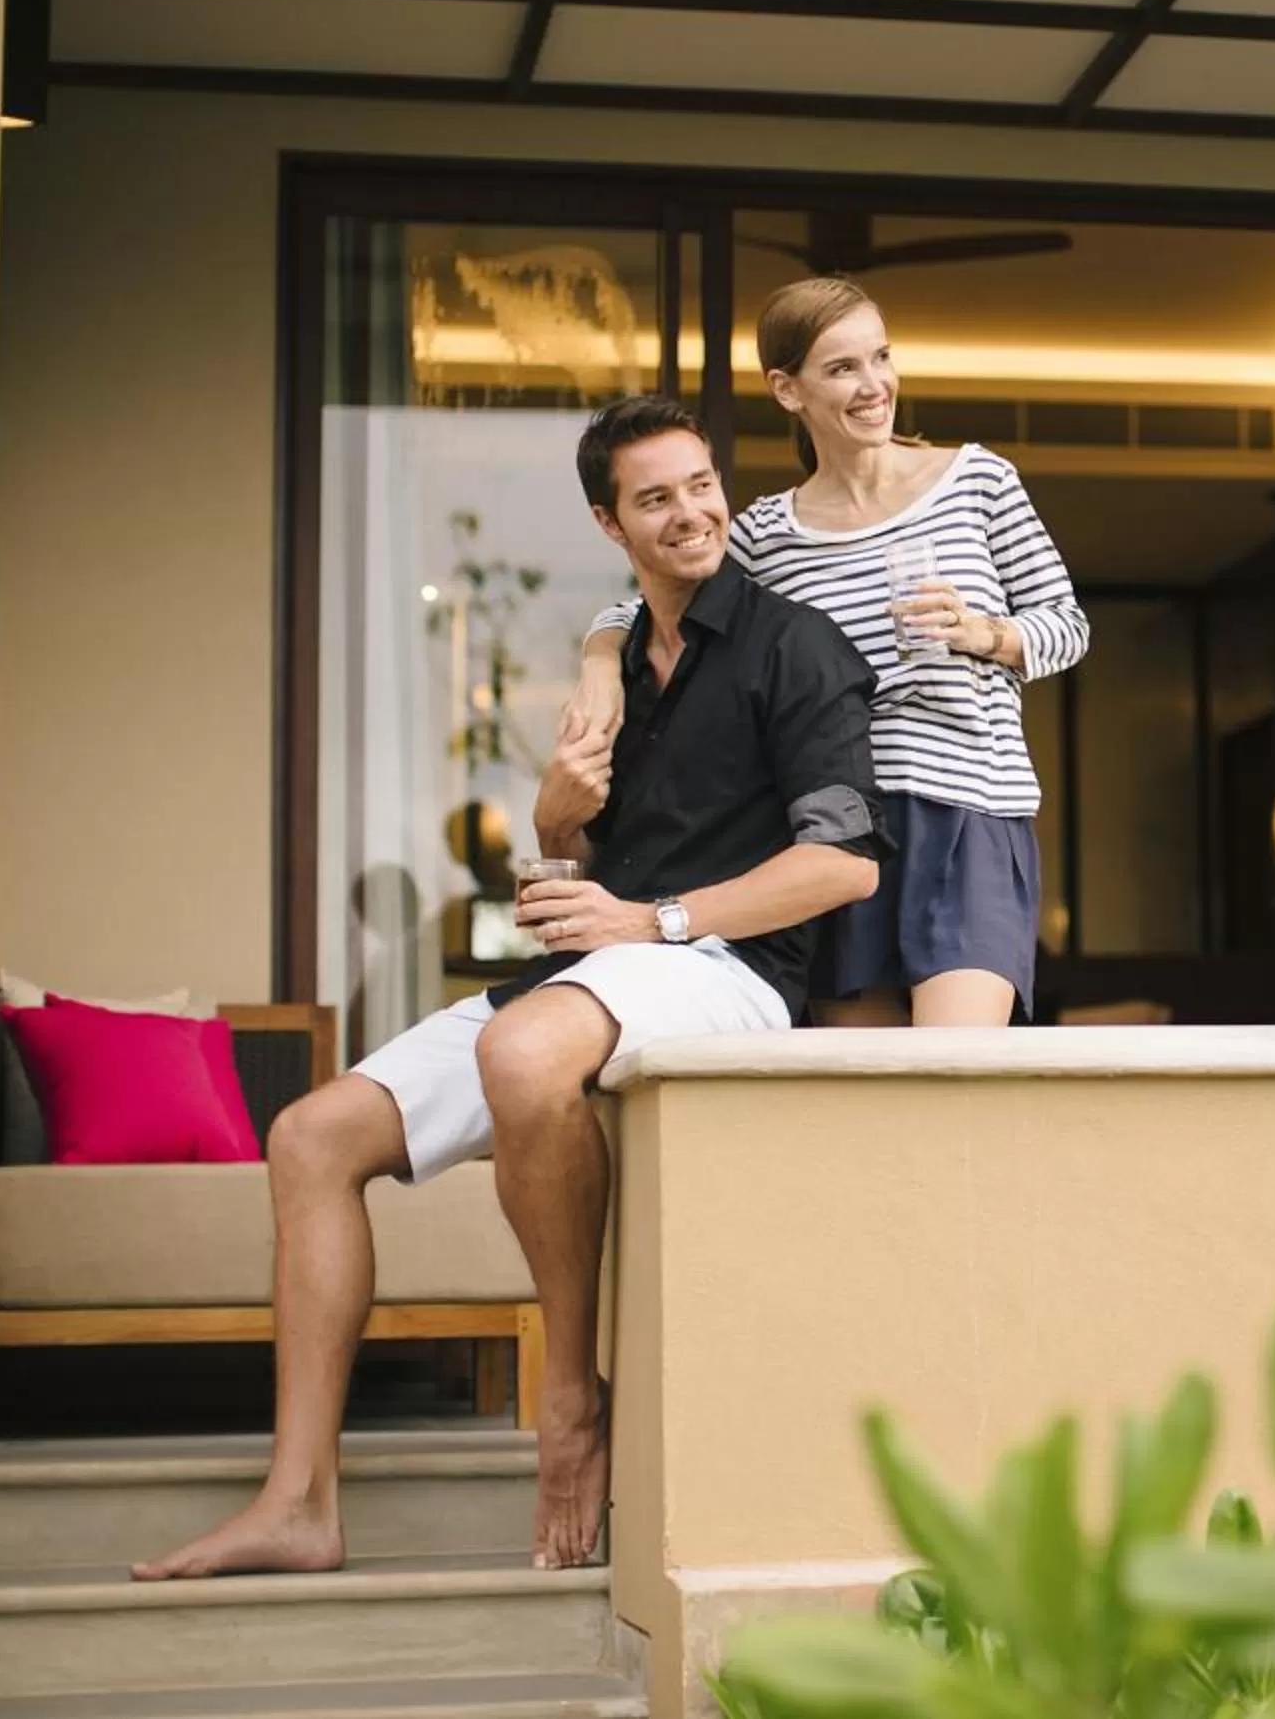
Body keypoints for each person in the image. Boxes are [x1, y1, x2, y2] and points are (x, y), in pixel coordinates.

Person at [138, 397, 883, 1580]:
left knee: (525, 1053)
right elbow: (581, 864)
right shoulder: (619, 662)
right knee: (309, 1136)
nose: (691, 512)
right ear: (610, 521)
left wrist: (652, 919)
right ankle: (299, 1502)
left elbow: (842, 863)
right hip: (595, 968)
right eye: (656, 498)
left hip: (727, 969)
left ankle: (571, 1393)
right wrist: (556, 821)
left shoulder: (799, 647)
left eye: (701, 485)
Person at [562, 276, 1086, 1029]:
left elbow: (1067, 624)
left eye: (880, 357)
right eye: (843, 368)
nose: (875, 386)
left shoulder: (978, 480)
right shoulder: (767, 533)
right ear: (787, 389)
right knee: (856, 1093)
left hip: (968, 813)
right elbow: (647, 602)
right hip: (835, 832)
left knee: (956, 1071)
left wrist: (987, 633)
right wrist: (600, 665)